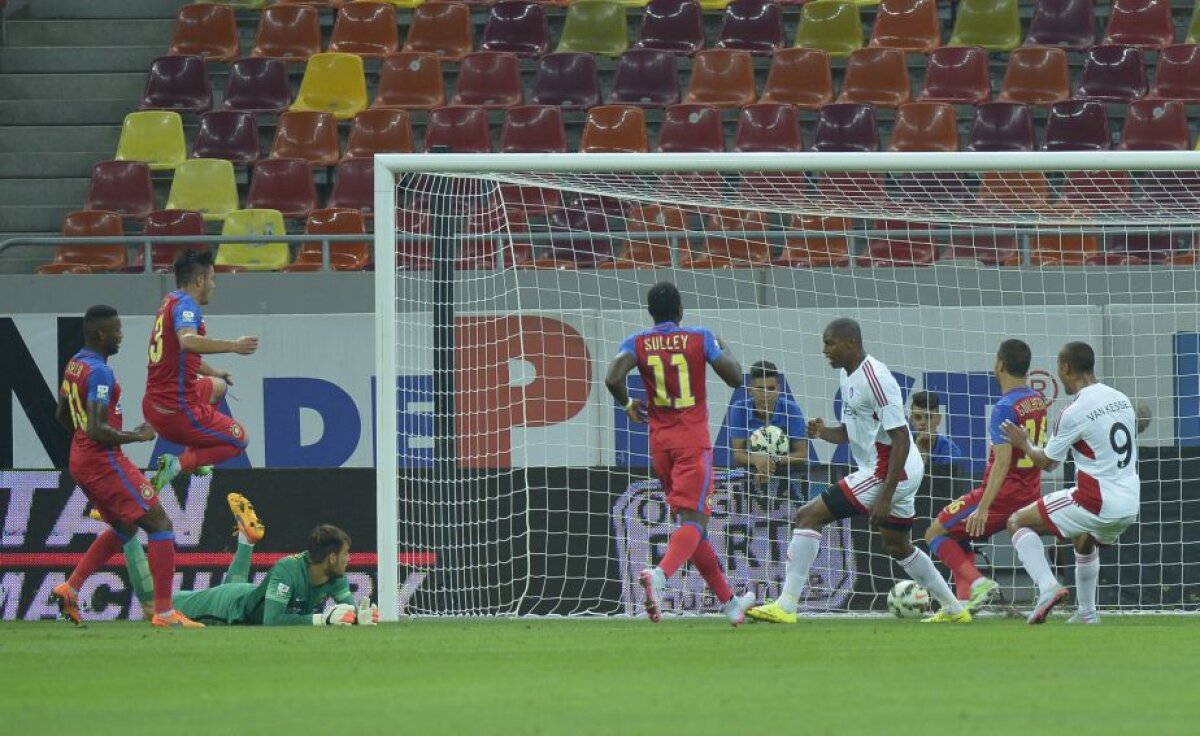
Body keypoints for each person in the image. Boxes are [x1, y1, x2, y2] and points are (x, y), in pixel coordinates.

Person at [748, 318, 970, 624]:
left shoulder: (876, 379)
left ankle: (786, 605)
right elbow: (855, 432)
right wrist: (825, 432)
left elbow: (902, 437)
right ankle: (954, 608)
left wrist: (886, 496)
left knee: (808, 516)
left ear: (850, 343)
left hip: (890, 469)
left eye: (830, 343)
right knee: (897, 544)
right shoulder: (847, 375)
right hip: (896, 468)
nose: (824, 349)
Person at [605, 281, 756, 627]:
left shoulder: (637, 342)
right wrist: (722, 345)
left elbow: (612, 376)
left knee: (693, 526)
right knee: (694, 523)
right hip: (692, 442)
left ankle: (730, 604)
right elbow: (734, 378)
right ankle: (659, 575)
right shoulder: (700, 337)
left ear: (650, 312)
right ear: (681, 310)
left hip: (660, 445)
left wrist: (628, 403)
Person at [49, 305, 200, 628]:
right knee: (160, 525)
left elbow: (62, 414)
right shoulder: (100, 372)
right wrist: (138, 434)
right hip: (102, 460)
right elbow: (98, 429)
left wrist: (84, 445)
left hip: (81, 458)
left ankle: (70, 588)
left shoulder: (76, 363)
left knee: (125, 528)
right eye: (117, 330)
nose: (121, 336)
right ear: (102, 335)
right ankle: (163, 612)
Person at [1001, 341, 1140, 625]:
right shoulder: (1121, 399)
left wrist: (1024, 443)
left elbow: (1048, 462)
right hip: (1129, 503)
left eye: (1059, 369)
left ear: (1065, 368)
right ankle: (1087, 613)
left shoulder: (1073, 412)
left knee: (1016, 522)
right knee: (1083, 539)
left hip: (1096, 501)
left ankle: (1047, 587)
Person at [924, 339, 1048, 611]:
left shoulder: (1004, 407)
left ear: (1000, 364)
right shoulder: (1036, 400)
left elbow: (1002, 463)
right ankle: (964, 603)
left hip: (1001, 496)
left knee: (934, 532)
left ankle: (979, 582)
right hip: (1028, 493)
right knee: (960, 535)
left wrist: (983, 507)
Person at [118, 517, 374, 627]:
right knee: (152, 608)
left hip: (246, 596)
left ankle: (245, 541)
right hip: (226, 608)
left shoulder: (335, 577)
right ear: (331, 558)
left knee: (241, 597)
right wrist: (323, 619)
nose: (349, 559)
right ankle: (127, 532)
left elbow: (346, 613)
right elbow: (271, 622)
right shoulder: (288, 569)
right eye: (345, 554)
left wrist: (360, 617)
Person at [144, 249, 258, 492]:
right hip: (176, 412)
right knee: (241, 440)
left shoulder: (170, 300)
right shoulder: (187, 306)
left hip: (153, 405)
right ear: (200, 281)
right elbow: (188, 341)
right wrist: (234, 346)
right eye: (212, 279)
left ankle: (197, 458)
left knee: (218, 387)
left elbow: (183, 353)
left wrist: (214, 371)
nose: (213, 285)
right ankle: (179, 464)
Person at [93, 492, 266, 618]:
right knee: (236, 602)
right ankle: (122, 523)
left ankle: (122, 524)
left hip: (250, 595)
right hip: (250, 599)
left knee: (154, 607)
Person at [728, 360, 809, 493]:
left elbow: (801, 454)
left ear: (779, 389)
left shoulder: (791, 409)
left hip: (790, 477)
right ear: (750, 390)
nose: (766, 395)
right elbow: (738, 455)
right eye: (760, 389)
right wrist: (756, 460)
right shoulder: (739, 409)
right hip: (753, 476)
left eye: (771, 389)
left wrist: (771, 460)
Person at [909, 391, 968, 472]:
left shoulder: (951, 453)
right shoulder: (903, 446)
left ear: (938, 419)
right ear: (911, 420)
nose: (923, 422)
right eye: (918, 417)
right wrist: (921, 452)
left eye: (929, 417)